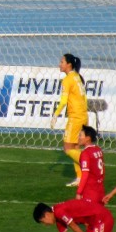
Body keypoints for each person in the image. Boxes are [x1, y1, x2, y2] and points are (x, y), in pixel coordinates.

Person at [75, 125, 116, 232]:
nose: (79, 137)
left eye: (81, 135)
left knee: (89, 223)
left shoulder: (85, 153)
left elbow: (85, 175)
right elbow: (102, 170)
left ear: (88, 138)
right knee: (96, 221)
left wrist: (79, 192)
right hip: (100, 190)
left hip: (90, 193)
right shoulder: (98, 150)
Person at [50, 53, 87, 187]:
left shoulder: (67, 80)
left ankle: (89, 166)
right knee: (76, 147)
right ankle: (80, 178)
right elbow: (84, 98)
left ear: (68, 64)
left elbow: (63, 101)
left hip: (75, 117)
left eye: (62, 62)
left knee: (67, 148)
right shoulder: (77, 77)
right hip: (83, 115)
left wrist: (55, 115)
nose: (59, 64)